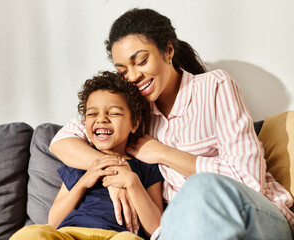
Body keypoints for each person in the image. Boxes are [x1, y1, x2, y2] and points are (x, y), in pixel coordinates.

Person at [50, 8, 294, 239]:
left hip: (256, 215)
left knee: (199, 188)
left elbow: (249, 182)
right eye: (123, 70)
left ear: (168, 51)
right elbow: (61, 141)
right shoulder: (134, 112)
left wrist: (163, 153)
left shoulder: (214, 87)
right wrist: (113, 170)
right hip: (187, 228)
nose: (133, 76)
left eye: (142, 61)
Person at [10, 71, 163, 240]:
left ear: (134, 123)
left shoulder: (145, 166)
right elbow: (53, 221)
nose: (101, 119)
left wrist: (132, 182)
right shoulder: (80, 163)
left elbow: (156, 228)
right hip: (71, 234)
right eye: (92, 114)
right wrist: (83, 182)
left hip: (117, 236)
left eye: (113, 113)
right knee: (30, 233)